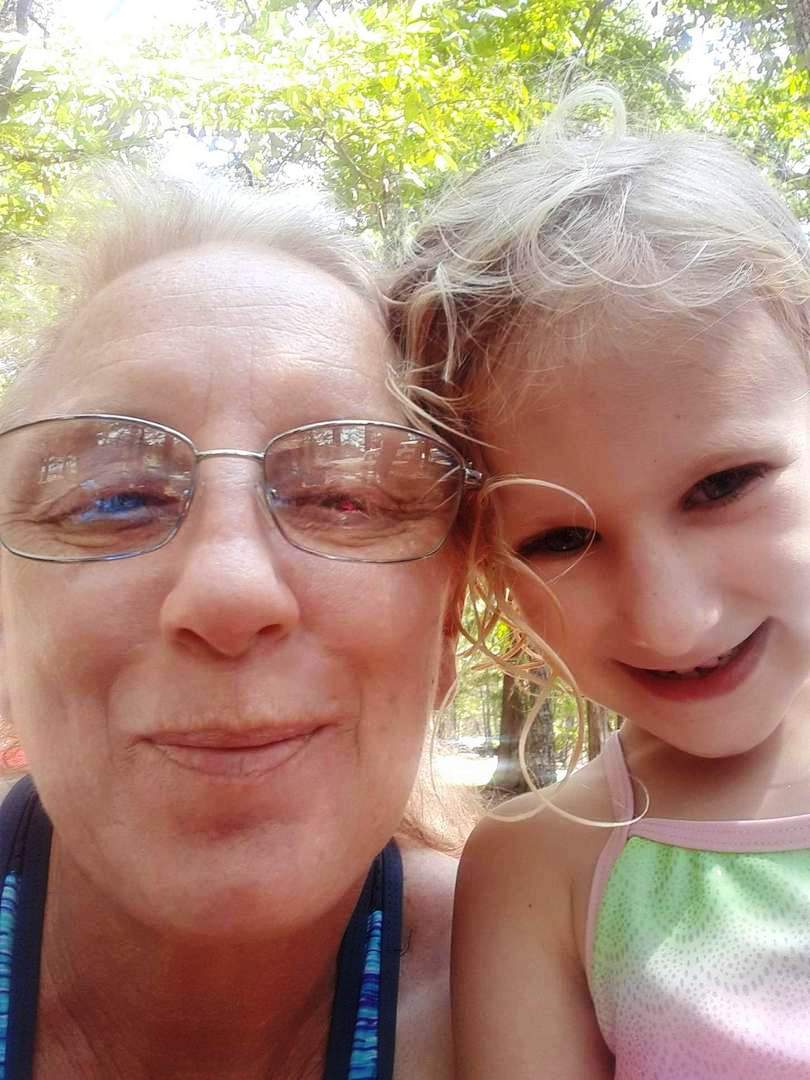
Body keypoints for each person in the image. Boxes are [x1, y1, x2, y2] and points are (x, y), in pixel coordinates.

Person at [0, 171, 482, 1080]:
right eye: (113, 498)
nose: (229, 588)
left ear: (448, 625)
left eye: (343, 497)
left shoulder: (584, 1007)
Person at [387, 84, 810, 1078]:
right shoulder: (542, 874)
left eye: (723, 486)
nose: (673, 618)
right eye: (563, 539)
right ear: (489, 569)